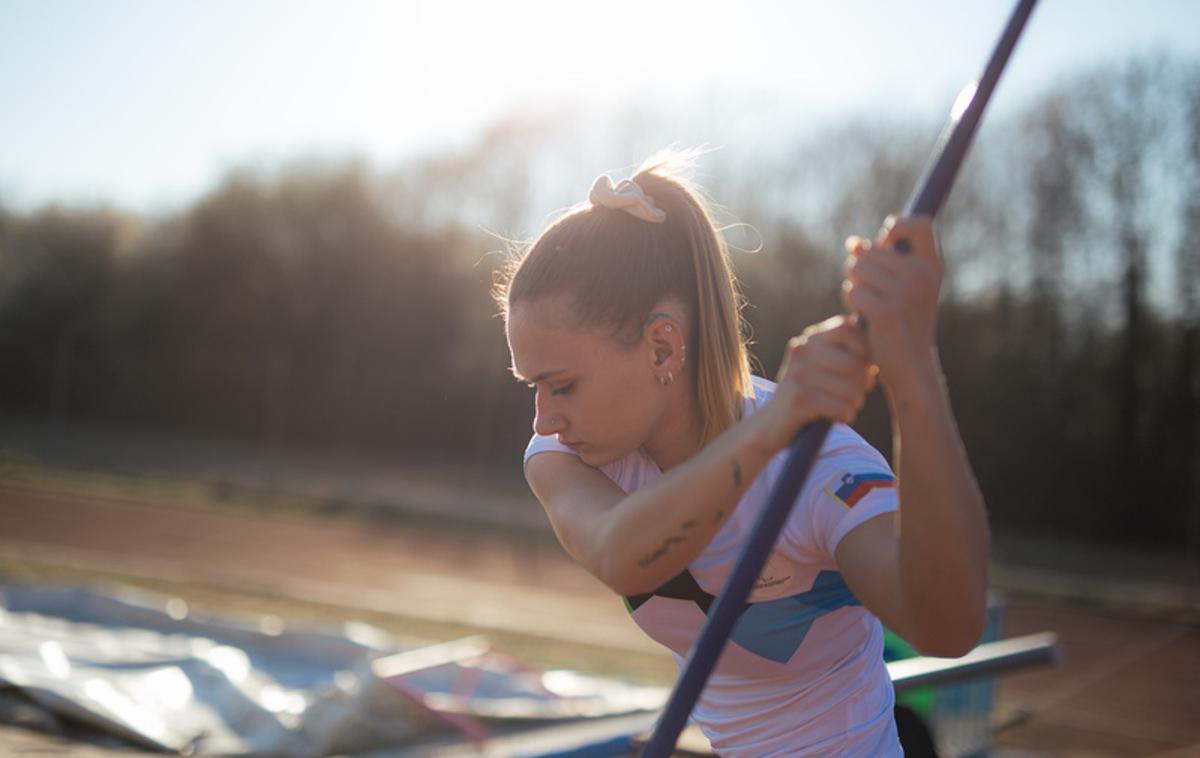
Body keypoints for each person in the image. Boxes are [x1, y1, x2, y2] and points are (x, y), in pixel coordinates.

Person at [495, 152, 989, 756]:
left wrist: (910, 368)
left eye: (563, 384)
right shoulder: (567, 454)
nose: (543, 417)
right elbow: (620, 554)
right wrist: (775, 428)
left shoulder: (820, 468)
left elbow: (948, 626)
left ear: (661, 346)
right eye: (532, 387)